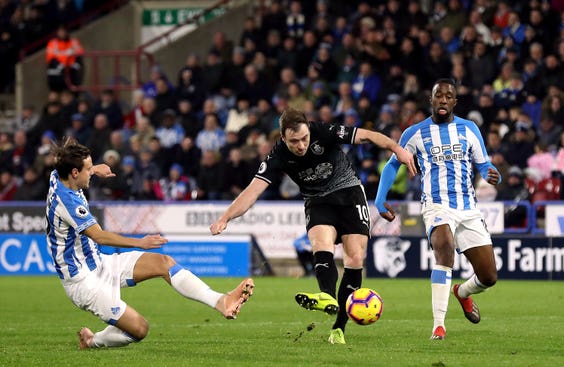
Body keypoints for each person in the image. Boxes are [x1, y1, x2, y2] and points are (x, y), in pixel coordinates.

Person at [210, 107, 416, 344]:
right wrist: (225, 217)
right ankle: (327, 296)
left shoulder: (324, 131)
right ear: (283, 138)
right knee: (321, 244)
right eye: (294, 141)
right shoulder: (277, 156)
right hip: (318, 201)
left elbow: (367, 135)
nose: (301, 145)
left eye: (304, 138)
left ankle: (339, 327)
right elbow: (252, 192)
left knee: (355, 259)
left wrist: (398, 149)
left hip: (349, 194)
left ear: (309, 129)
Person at [45, 137, 254, 349]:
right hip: (84, 282)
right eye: (87, 169)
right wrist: (140, 243)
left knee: (163, 262)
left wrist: (94, 168)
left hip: (99, 262)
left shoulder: (58, 175)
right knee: (139, 329)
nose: (91, 172)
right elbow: (100, 237)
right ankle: (92, 341)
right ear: (74, 173)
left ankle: (221, 301)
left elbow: (63, 163)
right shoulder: (68, 202)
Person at [375, 79, 502, 341]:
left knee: (488, 277)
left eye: (448, 96)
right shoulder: (415, 133)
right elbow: (391, 165)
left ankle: (462, 293)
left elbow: (483, 164)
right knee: (444, 245)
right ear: (430, 100)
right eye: (438, 96)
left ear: (455, 101)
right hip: (435, 204)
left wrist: (493, 174)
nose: (443, 100)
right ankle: (438, 326)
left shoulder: (469, 129)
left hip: (468, 208)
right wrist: (379, 199)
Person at [45, 26, 84, 92]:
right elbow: (50, 58)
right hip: (57, 72)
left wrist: (75, 66)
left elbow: (79, 55)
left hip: (71, 72)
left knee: (72, 91)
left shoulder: (74, 42)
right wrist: (61, 66)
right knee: (55, 92)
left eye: (63, 31)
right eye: (60, 31)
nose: (62, 33)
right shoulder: (53, 43)